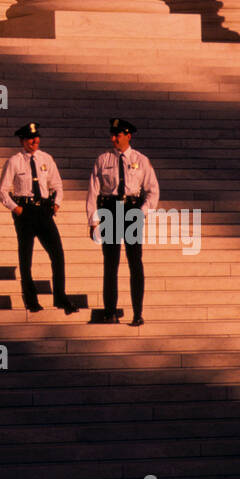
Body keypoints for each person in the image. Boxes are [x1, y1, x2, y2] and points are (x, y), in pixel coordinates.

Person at [0, 122, 78, 315]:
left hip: (43, 210)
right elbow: (2, 190)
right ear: (22, 141)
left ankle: (60, 296)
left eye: (36, 137)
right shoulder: (14, 161)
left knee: (57, 254)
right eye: (30, 138)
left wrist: (56, 203)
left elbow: (57, 184)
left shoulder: (46, 159)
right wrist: (16, 209)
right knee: (26, 257)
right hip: (24, 211)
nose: (35, 141)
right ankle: (31, 299)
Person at [86, 117, 159, 326]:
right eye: (112, 134)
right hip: (109, 209)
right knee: (110, 264)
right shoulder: (103, 160)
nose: (113, 138)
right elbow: (93, 191)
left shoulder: (141, 160)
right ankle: (110, 311)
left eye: (117, 134)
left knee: (135, 263)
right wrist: (93, 220)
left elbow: (153, 191)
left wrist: (142, 212)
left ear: (128, 135)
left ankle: (137, 313)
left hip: (132, 211)